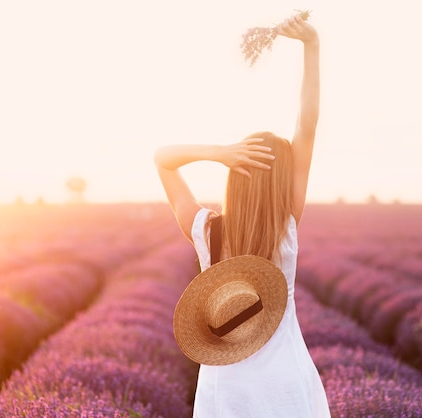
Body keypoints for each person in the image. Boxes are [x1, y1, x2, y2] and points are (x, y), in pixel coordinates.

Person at [154, 13, 330, 418]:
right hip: (286, 384)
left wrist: (220, 153)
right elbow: (308, 122)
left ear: (234, 179)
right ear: (282, 183)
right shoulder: (287, 226)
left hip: (227, 390)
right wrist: (312, 46)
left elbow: (162, 160)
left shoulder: (205, 231)